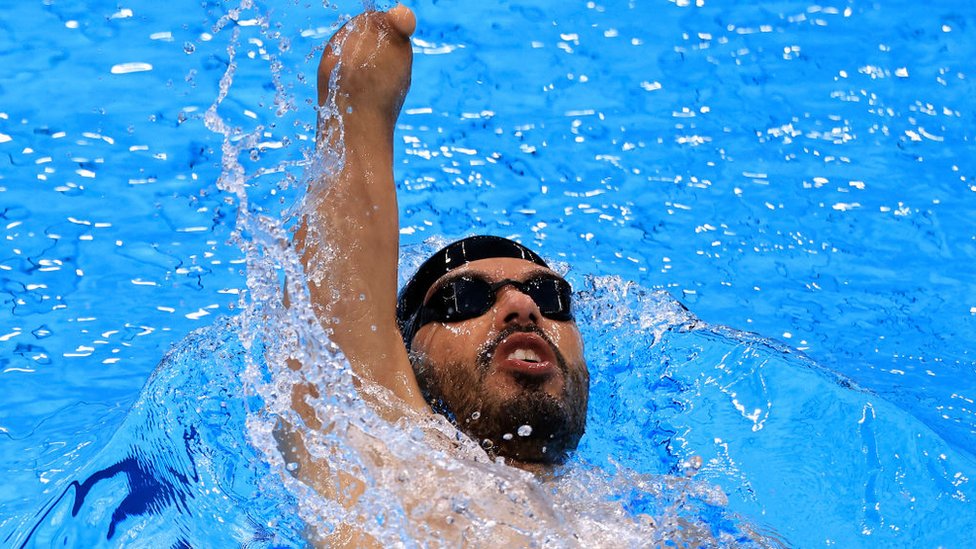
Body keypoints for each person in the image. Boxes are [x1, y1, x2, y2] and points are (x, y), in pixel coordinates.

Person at [292, 4, 589, 472]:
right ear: (409, 358)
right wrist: (359, 98)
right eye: (465, 298)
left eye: (550, 296)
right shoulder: (381, 465)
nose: (524, 308)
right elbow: (334, 333)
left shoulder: (664, 514)